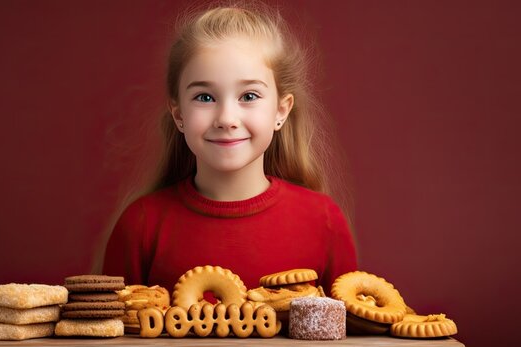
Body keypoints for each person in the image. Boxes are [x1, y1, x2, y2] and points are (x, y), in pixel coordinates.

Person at [102, 3, 357, 294]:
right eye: (205, 97)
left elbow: (350, 333)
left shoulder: (324, 222)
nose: (226, 119)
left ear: (281, 111)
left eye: (249, 95)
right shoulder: (141, 226)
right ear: (179, 115)